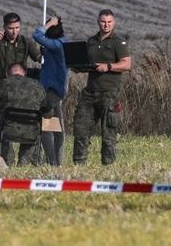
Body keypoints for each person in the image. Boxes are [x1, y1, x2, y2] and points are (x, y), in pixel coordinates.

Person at [72, 9, 133, 165]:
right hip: (90, 92)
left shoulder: (118, 42)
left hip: (109, 93)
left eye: (109, 22)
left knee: (108, 133)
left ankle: (108, 166)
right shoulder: (91, 41)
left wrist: (108, 66)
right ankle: (79, 164)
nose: (106, 25)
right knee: (81, 129)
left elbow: (126, 64)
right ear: (98, 22)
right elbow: (89, 62)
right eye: (103, 22)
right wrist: (79, 66)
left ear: (114, 23)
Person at [0, 63, 51, 165]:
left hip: (6, 130)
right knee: (33, 128)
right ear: (24, 73)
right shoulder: (37, 86)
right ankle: (25, 161)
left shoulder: (2, 84)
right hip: (31, 131)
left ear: (8, 74)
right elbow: (48, 113)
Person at [33, 15, 69, 166]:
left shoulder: (57, 45)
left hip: (51, 92)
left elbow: (37, 35)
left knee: (48, 129)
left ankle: (53, 162)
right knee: (57, 129)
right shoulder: (62, 43)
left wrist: (48, 24)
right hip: (56, 91)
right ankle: (56, 162)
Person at [0, 12, 41, 83]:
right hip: (1, 84)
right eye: (11, 28)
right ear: (4, 27)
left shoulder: (26, 42)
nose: (14, 32)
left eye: (17, 27)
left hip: (21, 84)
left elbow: (39, 58)